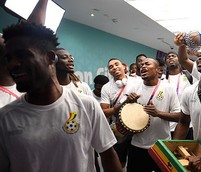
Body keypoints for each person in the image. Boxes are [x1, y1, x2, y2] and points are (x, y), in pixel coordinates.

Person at [0, 22, 122, 172]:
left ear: (50, 58)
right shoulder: (5, 117)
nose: (12, 65)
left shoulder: (87, 105)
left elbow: (108, 156)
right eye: (8, 59)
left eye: (23, 55)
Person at [126, 58, 181, 172]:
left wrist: (158, 113)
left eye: (147, 64)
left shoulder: (168, 88)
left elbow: (178, 116)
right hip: (137, 145)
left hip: (161, 146)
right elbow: (121, 112)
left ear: (158, 70)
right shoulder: (134, 88)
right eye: (141, 65)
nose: (143, 66)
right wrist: (127, 102)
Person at [100, 58, 137, 168]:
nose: (114, 67)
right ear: (110, 72)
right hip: (120, 130)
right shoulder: (106, 88)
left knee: (136, 162)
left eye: (116, 64)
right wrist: (119, 106)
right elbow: (104, 112)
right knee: (120, 161)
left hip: (139, 127)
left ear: (124, 66)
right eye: (111, 67)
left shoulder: (138, 81)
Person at [163, 52, 193, 138]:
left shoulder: (189, 77)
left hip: (186, 124)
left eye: (173, 56)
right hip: (167, 124)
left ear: (179, 60)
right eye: (168, 57)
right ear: (165, 62)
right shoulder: (162, 80)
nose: (170, 58)